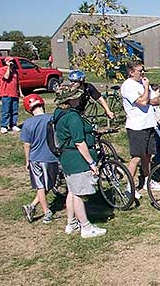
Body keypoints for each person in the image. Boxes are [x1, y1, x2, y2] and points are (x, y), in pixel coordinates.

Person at [54, 85, 106, 238]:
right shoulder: (72, 117)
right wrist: (91, 163)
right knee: (78, 194)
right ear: (69, 100)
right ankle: (86, 227)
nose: (79, 98)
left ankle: (71, 223)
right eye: (76, 96)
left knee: (71, 191)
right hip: (77, 159)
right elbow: (79, 142)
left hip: (67, 159)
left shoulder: (59, 113)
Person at [120, 60, 160, 198]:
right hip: (136, 127)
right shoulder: (128, 86)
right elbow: (143, 101)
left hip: (149, 124)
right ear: (131, 72)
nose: (142, 73)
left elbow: (156, 100)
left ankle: (147, 181)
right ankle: (129, 186)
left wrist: (146, 95)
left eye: (143, 70)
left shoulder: (143, 83)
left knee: (148, 156)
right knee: (136, 158)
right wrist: (146, 89)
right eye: (139, 71)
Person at [19, 94, 59, 224]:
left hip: (35, 158)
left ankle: (34, 207)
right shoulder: (52, 118)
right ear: (42, 104)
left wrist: (27, 161)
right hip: (51, 157)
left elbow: (27, 144)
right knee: (48, 185)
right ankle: (46, 211)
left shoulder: (27, 124)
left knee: (40, 186)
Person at [0, 56, 23, 134]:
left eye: (12, 61)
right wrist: (8, 67)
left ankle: (13, 125)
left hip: (14, 93)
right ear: (6, 62)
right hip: (6, 93)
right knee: (6, 111)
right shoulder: (2, 70)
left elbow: (18, 83)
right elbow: (6, 77)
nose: (12, 63)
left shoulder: (15, 71)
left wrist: (21, 93)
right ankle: (4, 126)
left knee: (14, 110)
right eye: (10, 61)